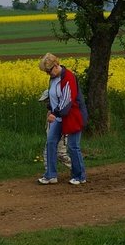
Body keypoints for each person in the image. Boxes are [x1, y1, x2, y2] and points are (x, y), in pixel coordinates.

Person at [37, 53, 87, 185]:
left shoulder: (69, 77)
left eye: (49, 71)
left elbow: (67, 100)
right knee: (51, 142)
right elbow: (53, 96)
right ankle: (51, 175)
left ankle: (80, 176)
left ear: (56, 65)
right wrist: (50, 109)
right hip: (59, 116)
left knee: (73, 146)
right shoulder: (53, 78)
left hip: (73, 115)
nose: (48, 74)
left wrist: (56, 114)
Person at [39, 89, 71, 170]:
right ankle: (49, 173)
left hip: (61, 135)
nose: (46, 104)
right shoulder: (50, 112)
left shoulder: (61, 110)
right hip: (52, 137)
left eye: (47, 101)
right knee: (47, 153)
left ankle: (77, 169)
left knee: (61, 155)